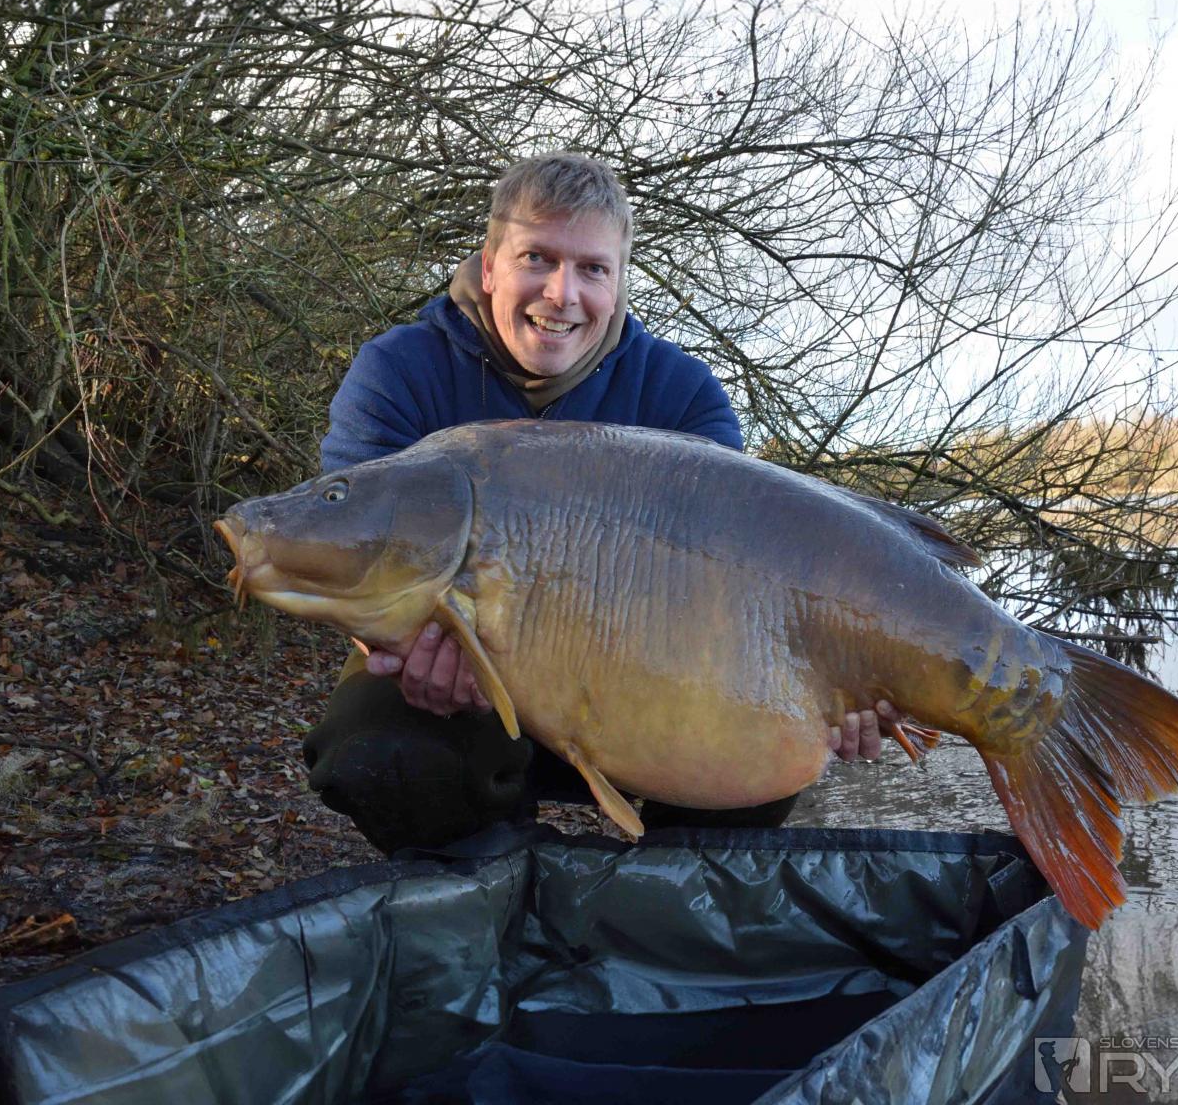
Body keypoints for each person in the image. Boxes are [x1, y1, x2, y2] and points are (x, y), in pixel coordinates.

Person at [303, 152, 899, 852]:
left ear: (617, 284)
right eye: (537, 258)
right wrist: (403, 651)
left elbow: (743, 592)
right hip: (454, 678)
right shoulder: (400, 371)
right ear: (489, 266)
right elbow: (349, 552)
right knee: (378, 755)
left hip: (646, 676)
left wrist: (841, 687)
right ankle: (489, 881)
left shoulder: (683, 397)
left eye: (592, 269)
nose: (562, 294)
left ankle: (662, 897)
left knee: (763, 760)